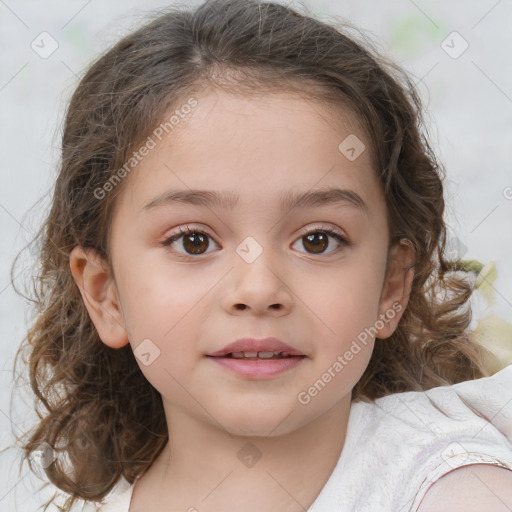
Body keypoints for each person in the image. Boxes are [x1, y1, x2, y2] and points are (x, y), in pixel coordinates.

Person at [11, 0, 512, 510]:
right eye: (193, 241)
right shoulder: (86, 503)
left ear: (391, 285)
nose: (257, 290)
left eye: (318, 240)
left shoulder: (462, 495)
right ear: (106, 295)